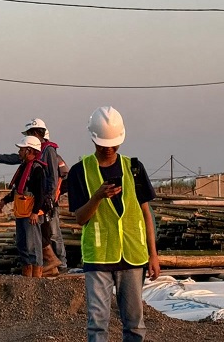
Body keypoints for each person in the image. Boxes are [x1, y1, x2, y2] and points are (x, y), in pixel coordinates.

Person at [65, 106, 160, 342]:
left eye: (113, 144)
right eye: (103, 144)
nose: (108, 149)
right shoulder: (80, 172)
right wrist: (97, 196)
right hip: (99, 256)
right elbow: (80, 218)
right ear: (93, 140)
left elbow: (145, 213)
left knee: (135, 324)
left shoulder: (134, 168)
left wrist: (153, 255)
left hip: (132, 255)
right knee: (97, 323)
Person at [0, 118, 67, 275]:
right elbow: (16, 176)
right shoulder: (26, 164)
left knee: (49, 235)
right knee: (29, 240)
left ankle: (59, 265)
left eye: (22, 149)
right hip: (26, 208)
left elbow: (51, 179)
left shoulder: (47, 154)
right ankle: (41, 268)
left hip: (42, 203)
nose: (20, 152)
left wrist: (47, 203)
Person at [0, 136, 46, 276]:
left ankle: (36, 272)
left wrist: (35, 212)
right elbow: (18, 189)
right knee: (22, 243)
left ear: (29, 150)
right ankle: (26, 270)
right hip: (21, 211)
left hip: (31, 214)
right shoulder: (23, 168)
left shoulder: (37, 169)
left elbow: (41, 193)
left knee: (33, 244)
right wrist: (5, 201)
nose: (19, 152)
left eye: (21, 149)